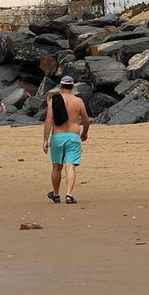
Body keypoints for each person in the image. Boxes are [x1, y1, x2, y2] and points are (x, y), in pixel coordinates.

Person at [43, 76, 91, 204]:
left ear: (61, 86)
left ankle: (56, 194)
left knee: (56, 167)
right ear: (72, 86)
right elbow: (86, 120)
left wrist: (45, 140)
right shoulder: (78, 101)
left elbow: (48, 121)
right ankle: (69, 195)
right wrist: (85, 133)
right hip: (73, 136)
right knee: (70, 166)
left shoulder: (54, 100)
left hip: (58, 136)